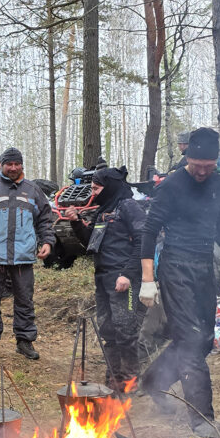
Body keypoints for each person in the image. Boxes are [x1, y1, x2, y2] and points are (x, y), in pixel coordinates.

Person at [138, 127, 220, 437]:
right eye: (197, 165)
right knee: (190, 339)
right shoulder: (171, 186)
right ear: (187, 157)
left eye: (209, 165)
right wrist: (148, 280)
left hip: (204, 268)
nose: (202, 171)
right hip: (175, 268)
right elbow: (149, 231)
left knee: (204, 340)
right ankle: (202, 418)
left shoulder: (218, 183)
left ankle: (153, 382)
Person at [62, 165, 147, 394]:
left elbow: (143, 241)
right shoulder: (103, 210)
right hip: (103, 277)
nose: (94, 192)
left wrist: (128, 274)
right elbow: (90, 242)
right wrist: (76, 222)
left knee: (126, 331)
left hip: (123, 279)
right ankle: (114, 381)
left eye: (96, 188)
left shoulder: (128, 206)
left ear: (109, 186)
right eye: (92, 188)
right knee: (108, 331)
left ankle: (130, 382)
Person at [0, 147, 55, 361]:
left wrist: (47, 241)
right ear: (0, 165)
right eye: (9, 164)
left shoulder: (33, 190)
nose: (13, 168)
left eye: (17, 164)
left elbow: (45, 219)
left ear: (21, 165)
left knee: (25, 301)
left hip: (23, 257)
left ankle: (25, 341)